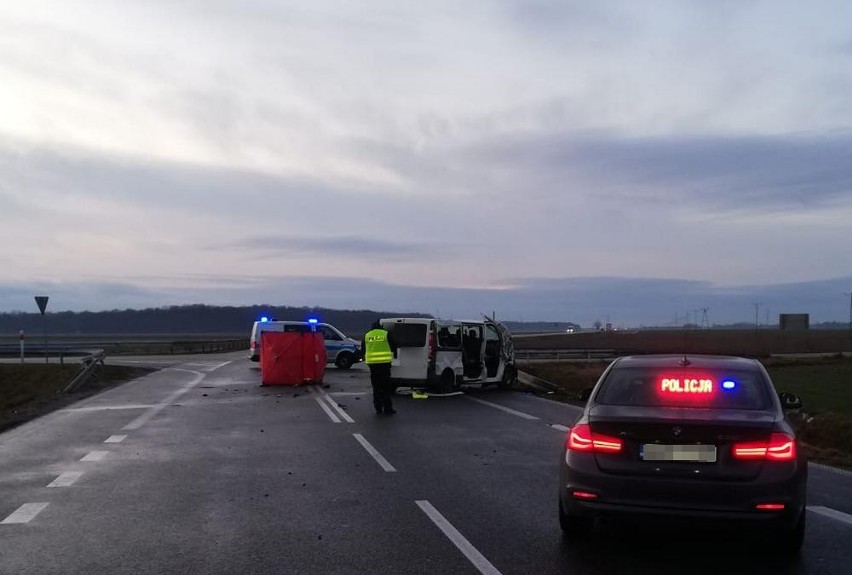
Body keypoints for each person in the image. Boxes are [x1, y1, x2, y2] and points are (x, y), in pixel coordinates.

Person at [361, 320, 397, 415]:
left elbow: (363, 349)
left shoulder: (367, 335)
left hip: (372, 365)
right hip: (384, 364)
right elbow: (394, 346)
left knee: (376, 388)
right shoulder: (385, 334)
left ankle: (378, 409)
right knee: (386, 388)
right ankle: (388, 409)